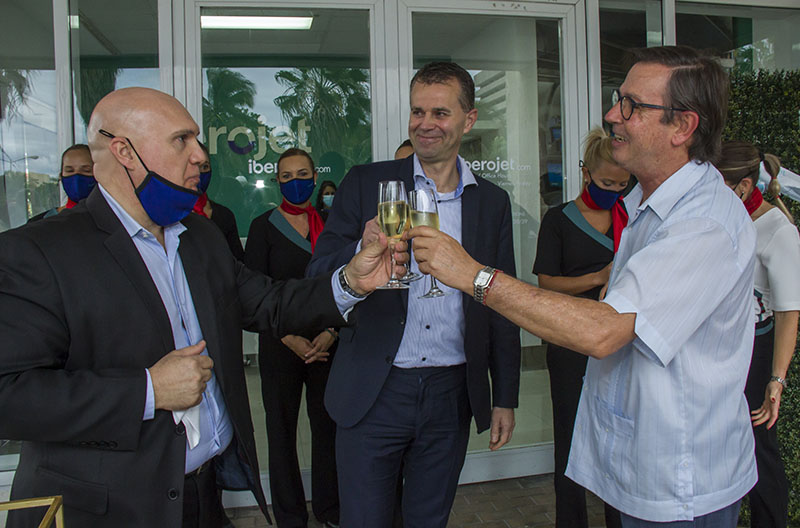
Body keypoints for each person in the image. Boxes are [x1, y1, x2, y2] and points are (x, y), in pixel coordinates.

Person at [0, 87, 402, 528]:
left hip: (206, 497)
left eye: (197, 139)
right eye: (181, 140)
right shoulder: (37, 251)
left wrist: (350, 281)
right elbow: (10, 395)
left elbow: (269, 302)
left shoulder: (200, 236)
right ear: (124, 152)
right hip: (110, 510)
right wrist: (148, 390)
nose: (200, 156)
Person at [410, 46, 757, 526]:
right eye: (618, 99)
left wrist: (472, 275)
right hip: (645, 472)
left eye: (631, 106)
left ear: (682, 126)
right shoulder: (648, 204)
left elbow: (603, 331)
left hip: (680, 485)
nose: (613, 115)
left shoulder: (703, 225)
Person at [307, 61, 520, 528]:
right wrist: (359, 250)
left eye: (440, 113)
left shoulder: (491, 202)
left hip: (451, 393)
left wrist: (504, 396)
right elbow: (317, 272)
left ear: (468, 119)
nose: (426, 123)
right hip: (375, 389)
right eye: (417, 111)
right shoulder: (367, 183)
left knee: (428, 520)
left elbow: (501, 304)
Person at [533, 126, 627, 528]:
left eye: (622, 185)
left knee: (618, 443)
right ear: (585, 173)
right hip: (570, 343)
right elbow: (546, 283)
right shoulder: (558, 220)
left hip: (620, 343)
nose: (615, 192)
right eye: (607, 183)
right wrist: (597, 277)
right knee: (571, 441)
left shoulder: (631, 218)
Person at [244, 148, 339, 528]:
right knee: (281, 433)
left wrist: (331, 331)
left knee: (328, 429)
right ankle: (290, 516)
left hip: (327, 345)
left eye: (302, 174)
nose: (295, 182)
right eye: (286, 176)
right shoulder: (263, 227)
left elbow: (345, 283)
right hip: (280, 344)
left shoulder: (332, 225)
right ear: (277, 181)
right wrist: (289, 337)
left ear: (315, 178)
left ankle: (330, 509)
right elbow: (254, 292)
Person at [716, 141, 800, 528]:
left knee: (759, 449)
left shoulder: (778, 231)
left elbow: (789, 313)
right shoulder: (725, 218)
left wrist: (776, 380)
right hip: (722, 347)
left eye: (717, 185)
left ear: (745, 186)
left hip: (756, 350)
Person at [192, 142, 244, 260]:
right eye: (194, 166)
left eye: (205, 167)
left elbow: (237, 263)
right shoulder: (172, 216)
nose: (199, 173)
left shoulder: (224, 215)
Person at [28, 144, 96, 222]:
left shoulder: (106, 220)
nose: (77, 177)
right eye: (70, 171)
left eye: (86, 170)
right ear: (61, 176)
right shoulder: (40, 222)